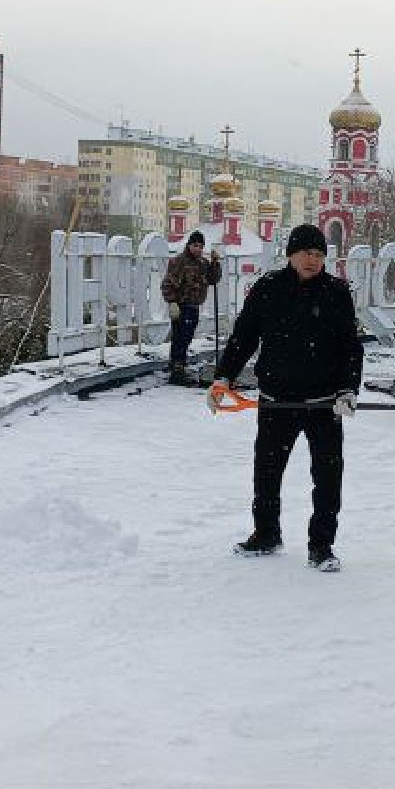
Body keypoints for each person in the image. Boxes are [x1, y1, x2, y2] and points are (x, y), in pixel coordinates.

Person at [210, 224, 363, 571]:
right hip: (275, 399)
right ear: (291, 254)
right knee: (266, 471)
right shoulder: (268, 288)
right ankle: (266, 533)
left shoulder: (336, 292)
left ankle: (321, 545)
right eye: (307, 252)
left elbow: (349, 348)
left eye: (320, 254)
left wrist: (348, 389)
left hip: (324, 403)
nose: (313, 260)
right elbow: (243, 337)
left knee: (327, 476)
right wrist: (223, 378)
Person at [158, 230, 222, 383]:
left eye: (201, 246)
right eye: (195, 245)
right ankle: (177, 370)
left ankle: (179, 366)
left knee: (186, 338)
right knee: (180, 338)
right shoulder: (179, 262)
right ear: (189, 245)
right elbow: (167, 284)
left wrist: (215, 263)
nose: (198, 249)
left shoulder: (202, 263)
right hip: (182, 305)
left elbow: (213, 279)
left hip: (194, 305)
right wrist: (172, 302)